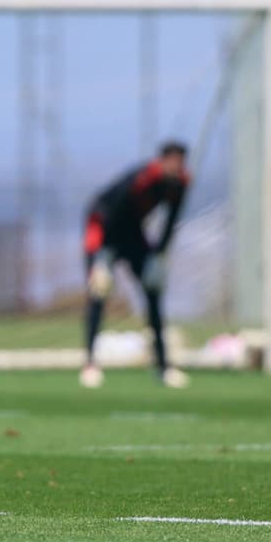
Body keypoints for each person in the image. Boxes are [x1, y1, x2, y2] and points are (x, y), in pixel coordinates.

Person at [79, 142, 192, 389]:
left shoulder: (181, 183)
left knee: (153, 294)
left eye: (180, 162)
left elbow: (171, 221)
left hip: (132, 234)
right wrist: (102, 258)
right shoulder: (142, 178)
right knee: (99, 293)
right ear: (161, 161)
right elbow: (112, 211)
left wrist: (158, 255)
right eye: (172, 161)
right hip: (103, 228)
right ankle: (90, 364)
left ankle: (163, 367)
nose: (177, 167)